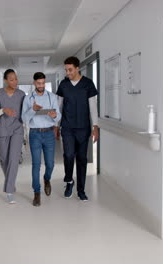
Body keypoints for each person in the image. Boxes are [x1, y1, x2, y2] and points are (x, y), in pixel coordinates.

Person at [56, 56, 99, 202]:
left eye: (70, 70)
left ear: (77, 68)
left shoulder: (87, 84)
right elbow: (59, 107)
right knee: (68, 155)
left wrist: (95, 126)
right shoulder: (63, 84)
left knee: (81, 159)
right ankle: (69, 181)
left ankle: (81, 190)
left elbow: (93, 107)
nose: (68, 73)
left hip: (83, 128)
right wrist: (56, 125)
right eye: (66, 70)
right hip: (67, 127)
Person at [22, 72, 61, 207]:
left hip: (49, 133)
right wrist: (32, 110)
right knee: (36, 165)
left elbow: (58, 116)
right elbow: (24, 119)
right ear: (34, 83)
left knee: (50, 164)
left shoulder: (52, 97)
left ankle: (47, 179)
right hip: (35, 134)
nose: (41, 86)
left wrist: (54, 115)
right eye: (38, 83)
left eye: (43, 83)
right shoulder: (28, 99)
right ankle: (36, 193)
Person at [0, 69, 25, 204]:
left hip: (17, 129)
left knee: (13, 159)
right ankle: (10, 183)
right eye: (11, 79)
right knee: (4, 160)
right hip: (3, 130)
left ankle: (9, 191)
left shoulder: (22, 94)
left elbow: (25, 112)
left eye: (16, 79)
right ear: (6, 80)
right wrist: (4, 110)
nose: (15, 81)